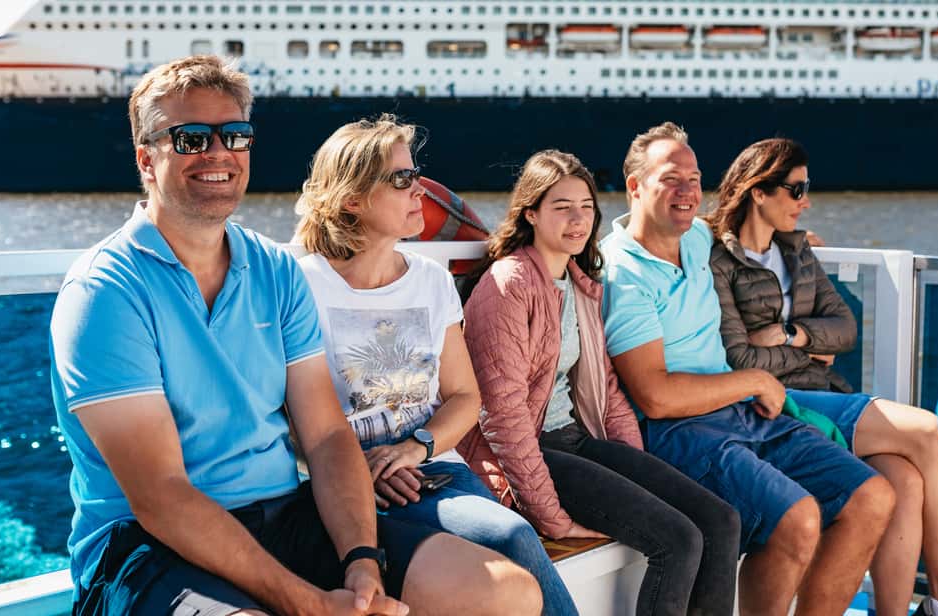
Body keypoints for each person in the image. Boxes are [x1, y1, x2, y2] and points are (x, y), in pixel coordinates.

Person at [49, 55, 539, 616]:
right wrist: (312, 605)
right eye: (190, 138)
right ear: (146, 158)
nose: (218, 153)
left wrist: (361, 561)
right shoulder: (105, 291)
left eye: (235, 135)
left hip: (283, 513)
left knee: (502, 590)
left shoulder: (275, 271)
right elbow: (162, 496)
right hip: (146, 547)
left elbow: (328, 437)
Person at [600, 121, 896, 616]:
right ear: (635, 187)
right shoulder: (623, 274)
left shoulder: (696, 238)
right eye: (672, 178)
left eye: (695, 179)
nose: (688, 191)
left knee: (872, 495)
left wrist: (794, 240)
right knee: (798, 518)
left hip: (741, 411)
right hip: (682, 429)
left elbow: (739, 223)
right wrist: (756, 379)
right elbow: (655, 396)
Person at [292, 117, 569, 615]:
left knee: (508, 534)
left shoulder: (430, 281)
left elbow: (465, 396)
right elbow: (282, 409)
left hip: (427, 469)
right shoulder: (301, 284)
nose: (418, 187)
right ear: (351, 199)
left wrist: (414, 449)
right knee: (505, 539)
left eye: (413, 172)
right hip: (336, 484)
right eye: (400, 179)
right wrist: (361, 468)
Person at [459, 150, 742, 616]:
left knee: (720, 520)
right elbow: (503, 416)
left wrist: (637, 465)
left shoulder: (580, 283)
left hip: (576, 440)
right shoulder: (508, 284)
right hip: (534, 450)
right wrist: (549, 515)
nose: (578, 220)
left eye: (586, 207)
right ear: (530, 212)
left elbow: (607, 393)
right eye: (562, 207)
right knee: (677, 539)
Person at [704, 137, 938, 616]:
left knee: (905, 480)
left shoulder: (797, 252)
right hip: (780, 403)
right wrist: (807, 354)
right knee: (930, 432)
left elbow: (844, 328)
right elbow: (739, 358)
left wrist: (792, 335)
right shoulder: (718, 259)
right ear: (758, 192)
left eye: (807, 188)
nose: (806, 202)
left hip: (823, 392)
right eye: (796, 190)